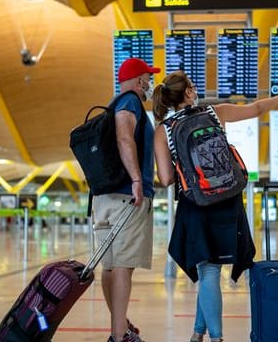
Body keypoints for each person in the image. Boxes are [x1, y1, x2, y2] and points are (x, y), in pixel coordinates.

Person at [152, 70, 278, 342]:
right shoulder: (213, 112)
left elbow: (165, 178)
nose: (195, 90)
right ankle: (202, 334)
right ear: (187, 93)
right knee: (212, 269)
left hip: (196, 203)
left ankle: (213, 337)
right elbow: (256, 109)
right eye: (193, 86)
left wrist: (186, 164)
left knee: (207, 269)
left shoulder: (164, 131)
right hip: (227, 198)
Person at [92, 58, 160, 342]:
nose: (150, 83)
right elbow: (124, 137)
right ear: (137, 80)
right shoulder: (130, 102)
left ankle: (120, 326)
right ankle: (119, 336)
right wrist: (136, 179)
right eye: (148, 77)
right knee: (123, 265)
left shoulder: (112, 103)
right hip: (126, 196)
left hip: (104, 197)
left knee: (109, 265)